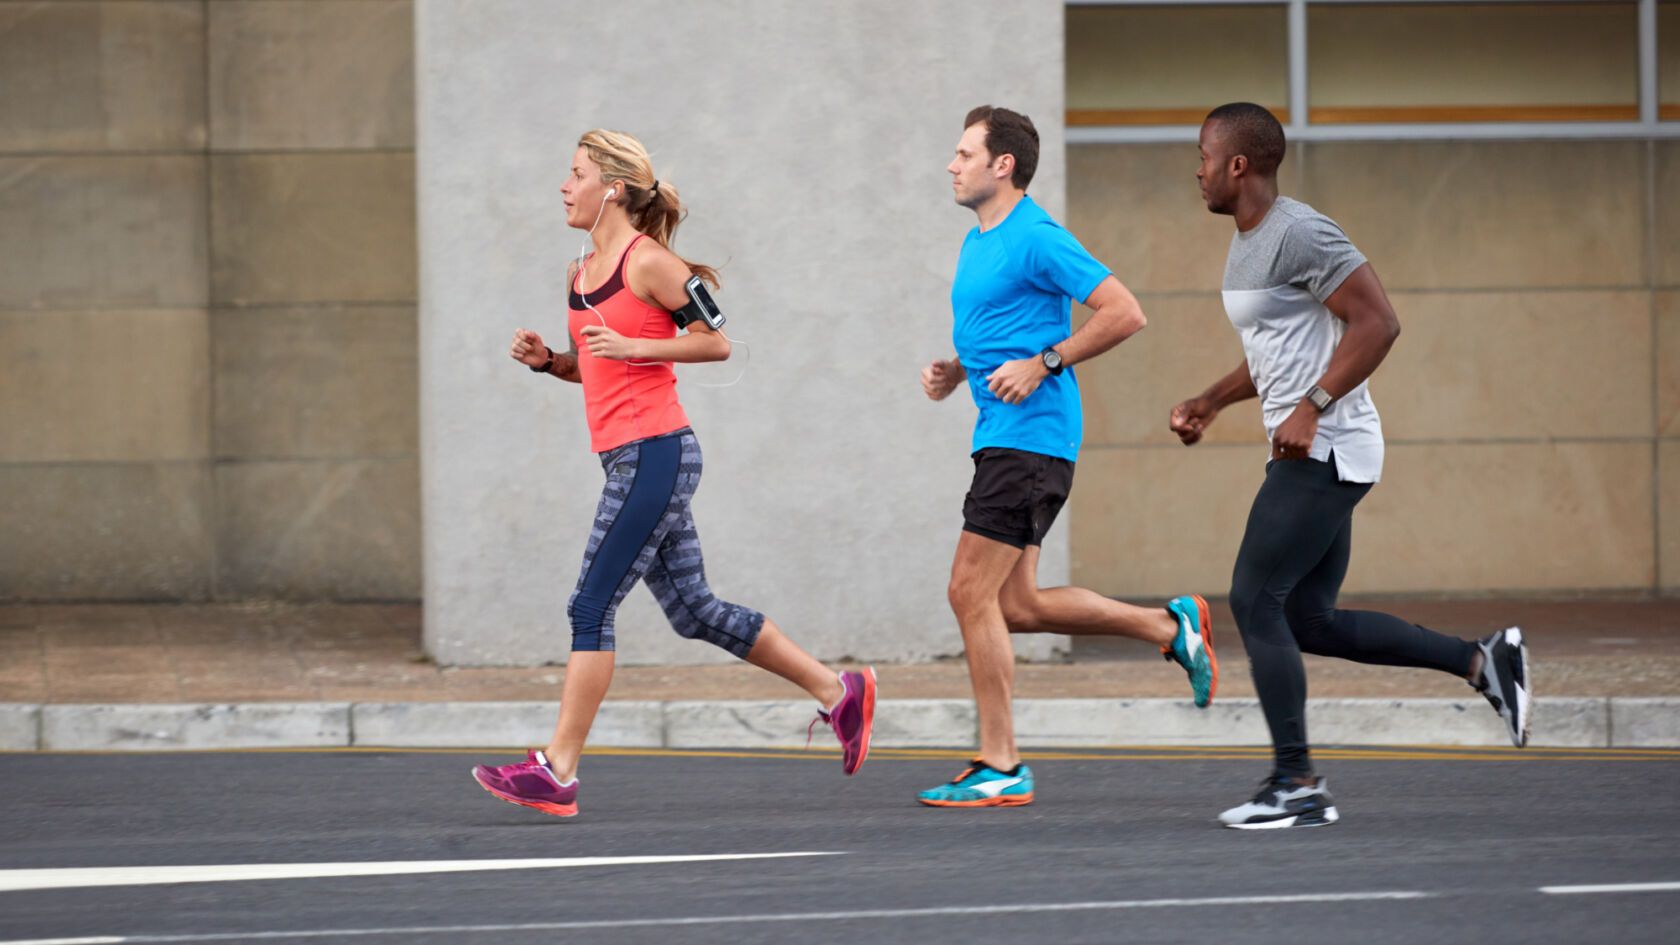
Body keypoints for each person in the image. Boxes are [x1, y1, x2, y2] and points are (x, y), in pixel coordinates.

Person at [471, 130, 875, 818]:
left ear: (614, 191)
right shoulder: (578, 273)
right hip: (628, 456)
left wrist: (633, 341)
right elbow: (589, 365)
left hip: (655, 454)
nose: (563, 187)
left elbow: (717, 341)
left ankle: (558, 770)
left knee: (589, 606)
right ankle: (840, 691)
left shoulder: (649, 262)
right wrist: (548, 362)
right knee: (693, 610)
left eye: (575, 175)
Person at [1172, 103, 1531, 829]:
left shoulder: (1301, 231)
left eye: (1204, 155)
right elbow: (1275, 345)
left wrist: (1313, 402)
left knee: (1252, 601)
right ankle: (1481, 660)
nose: (1197, 169)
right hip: (1316, 448)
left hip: (1325, 450)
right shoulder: (1250, 243)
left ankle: (1297, 783)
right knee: (1309, 619)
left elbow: (1379, 321)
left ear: (1238, 165)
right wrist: (1212, 399)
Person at [915, 106, 1216, 809]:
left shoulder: (1037, 236)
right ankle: (1169, 626)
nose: (952, 165)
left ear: (1003, 166)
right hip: (1004, 436)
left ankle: (1002, 762)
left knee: (968, 591)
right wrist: (958, 369)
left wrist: (1045, 361)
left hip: (1032, 438)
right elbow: (999, 325)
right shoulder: (977, 240)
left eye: (964, 153)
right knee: (1014, 605)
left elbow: (1124, 311)